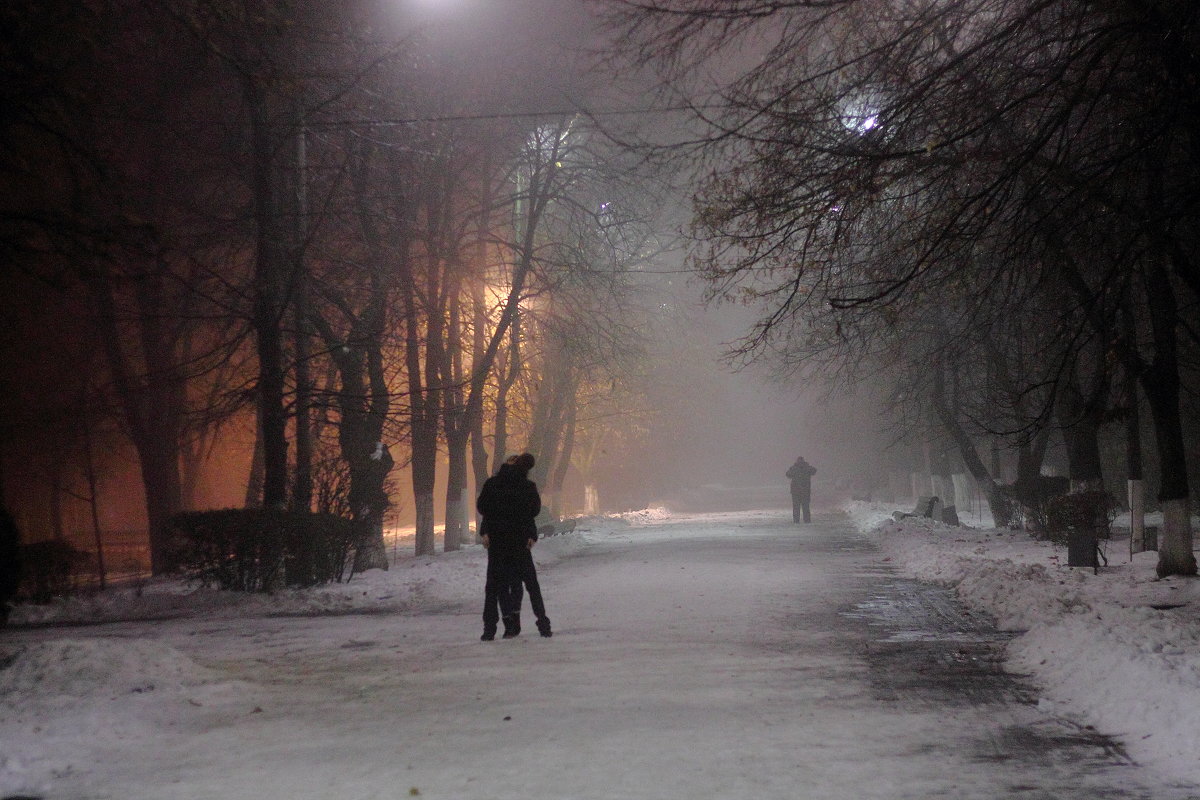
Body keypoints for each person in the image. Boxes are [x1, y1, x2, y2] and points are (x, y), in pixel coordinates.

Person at [476, 453, 552, 640]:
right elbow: (532, 512)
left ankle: (489, 629)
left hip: (497, 541)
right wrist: (531, 534)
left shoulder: (492, 484)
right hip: (520, 540)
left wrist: (485, 531)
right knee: (530, 584)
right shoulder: (527, 486)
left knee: (494, 585)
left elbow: (483, 509)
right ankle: (543, 624)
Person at [786, 455, 817, 523]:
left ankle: (796, 521)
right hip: (805, 491)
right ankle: (807, 521)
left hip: (795, 491)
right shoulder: (807, 468)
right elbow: (814, 471)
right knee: (805, 507)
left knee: (796, 507)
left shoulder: (794, 468)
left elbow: (788, 474)